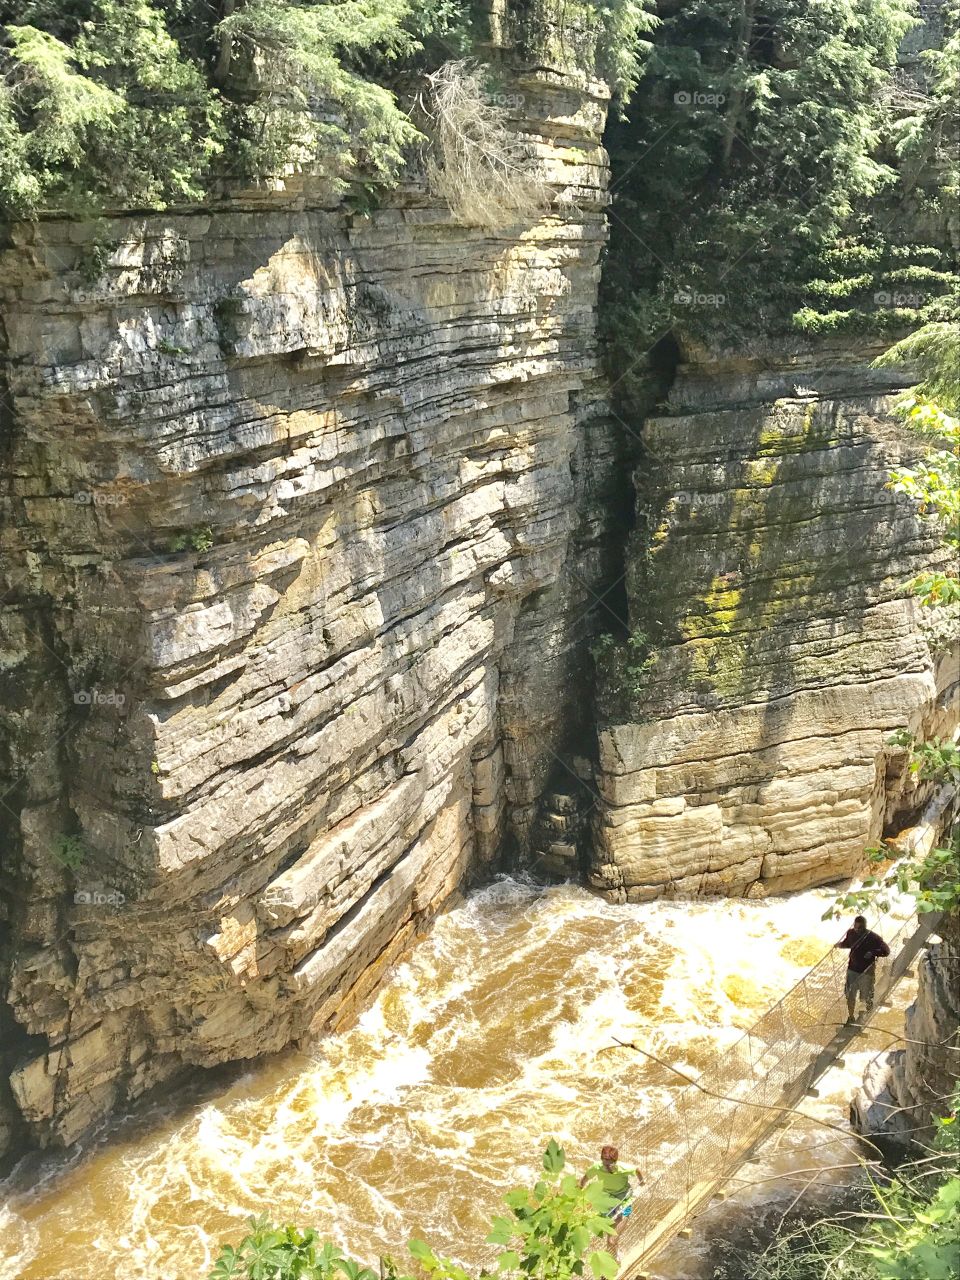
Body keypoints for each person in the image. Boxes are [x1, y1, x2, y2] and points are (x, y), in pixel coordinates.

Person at [580, 1145, 643, 1257]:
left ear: (616, 1161)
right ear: (601, 1161)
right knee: (607, 1237)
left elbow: (637, 1170)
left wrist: (642, 1181)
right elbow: (584, 1179)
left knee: (611, 1241)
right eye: (605, 1164)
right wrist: (579, 1189)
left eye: (610, 1164)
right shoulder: (596, 1167)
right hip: (606, 1201)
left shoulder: (623, 1168)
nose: (608, 1167)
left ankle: (612, 1264)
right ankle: (615, 1253)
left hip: (623, 1200)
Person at [836, 915, 890, 1023]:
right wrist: (839, 945)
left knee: (865, 997)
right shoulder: (851, 933)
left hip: (866, 972)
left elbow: (886, 951)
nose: (857, 930)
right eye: (856, 927)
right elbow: (848, 943)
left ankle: (863, 1016)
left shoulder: (873, 937)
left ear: (864, 927)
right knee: (850, 995)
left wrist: (873, 953)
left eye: (859, 928)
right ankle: (851, 1017)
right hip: (852, 970)